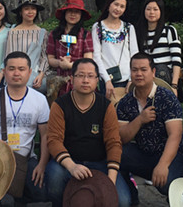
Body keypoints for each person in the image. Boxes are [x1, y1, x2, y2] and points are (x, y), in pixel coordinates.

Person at [46, 58, 131, 207]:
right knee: (54, 178)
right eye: (80, 75)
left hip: (100, 163)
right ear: (72, 79)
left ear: (97, 80)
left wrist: (109, 182)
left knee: (123, 201)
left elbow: (113, 143)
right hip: (68, 162)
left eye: (90, 76)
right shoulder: (60, 105)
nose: (85, 80)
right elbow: (54, 140)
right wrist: (72, 166)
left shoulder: (106, 106)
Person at [0, 51, 50, 204]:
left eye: (21, 69)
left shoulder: (39, 100)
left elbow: (45, 135)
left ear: (29, 72)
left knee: (39, 192)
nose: (16, 73)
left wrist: (42, 164)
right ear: (4, 72)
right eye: (11, 69)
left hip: (25, 158)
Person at [116, 53, 183, 202]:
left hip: (172, 154)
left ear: (153, 72)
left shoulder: (166, 97)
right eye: (134, 70)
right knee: (116, 153)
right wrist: (140, 120)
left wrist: (163, 165)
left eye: (143, 69)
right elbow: (121, 137)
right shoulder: (125, 102)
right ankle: (129, 196)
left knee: (168, 183)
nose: (139, 74)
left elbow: (175, 135)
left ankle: (178, 196)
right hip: (145, 153)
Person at [91, 0, 138, 101]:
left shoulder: (129, 28)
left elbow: (134, 54)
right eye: (116, 4)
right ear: (109, 5)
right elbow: (96, 56)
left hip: (127, 80)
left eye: (122, 6)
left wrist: (132, 79)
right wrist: (107, 80)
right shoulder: (98, 27)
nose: (118, 9)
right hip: (106, 80)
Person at [47, 0, 93, 96]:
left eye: (76, 12)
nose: (73, 14)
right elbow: (50, 58)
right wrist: (60, 63)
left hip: (80, 80)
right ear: (64, 13)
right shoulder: (54, 34)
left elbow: (88, 60)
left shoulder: (86, 34)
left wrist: (70, 65)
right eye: (70, 11)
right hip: (59, 82)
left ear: (81, 15)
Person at [134, 0, 182, 91]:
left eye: (155, 9)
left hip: (165, 78)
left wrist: (174, 85)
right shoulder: (139, 33)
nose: (152, 12)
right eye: (148, 9)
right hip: (146, 78)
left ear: (161, 11)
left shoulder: (169, 31)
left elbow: (176, 59)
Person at [7, 0, 50, 93]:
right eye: (26, 9)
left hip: (35, 76)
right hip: (16, 75)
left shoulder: (42, 32)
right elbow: (8, 56)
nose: (30, 12)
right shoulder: (12, 32)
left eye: (33, 9)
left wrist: (41, 74)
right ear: (20, 12)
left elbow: (44, 56)